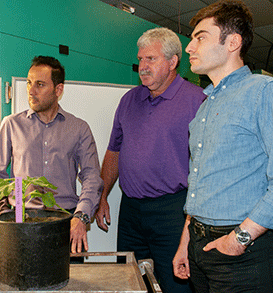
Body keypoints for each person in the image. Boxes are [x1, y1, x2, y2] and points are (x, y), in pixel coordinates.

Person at [172, 1, 273, 292]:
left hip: (243, 255)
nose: (189, 48)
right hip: (199, 246)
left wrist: (239, 240)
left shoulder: (265, 93)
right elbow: (200, 182)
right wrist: (186, 241)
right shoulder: (206, 106)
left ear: (233, 42)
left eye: (200, 37)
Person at [95, 28, 206, 293]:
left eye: (151, 59)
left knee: (175, 283)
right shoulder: (129, 100)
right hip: (131, 210)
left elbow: (207, 163)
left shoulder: (197, 101)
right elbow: (114, 151)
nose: (142, 67)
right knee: (131, 280)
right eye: (140, 60)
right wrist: (102, 196)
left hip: (173, 211)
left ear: (172, 61)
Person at [0, 55, 103, 254]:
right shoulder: (12, 125)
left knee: (69, 282)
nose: (31, 91)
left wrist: (81, 217)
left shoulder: (79, 128)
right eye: (29, 83)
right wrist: (7, 214)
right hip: (22, 221)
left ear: (58, 89)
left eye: (40, 84)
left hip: (67, 222)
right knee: (22, 282)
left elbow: (92, 176)